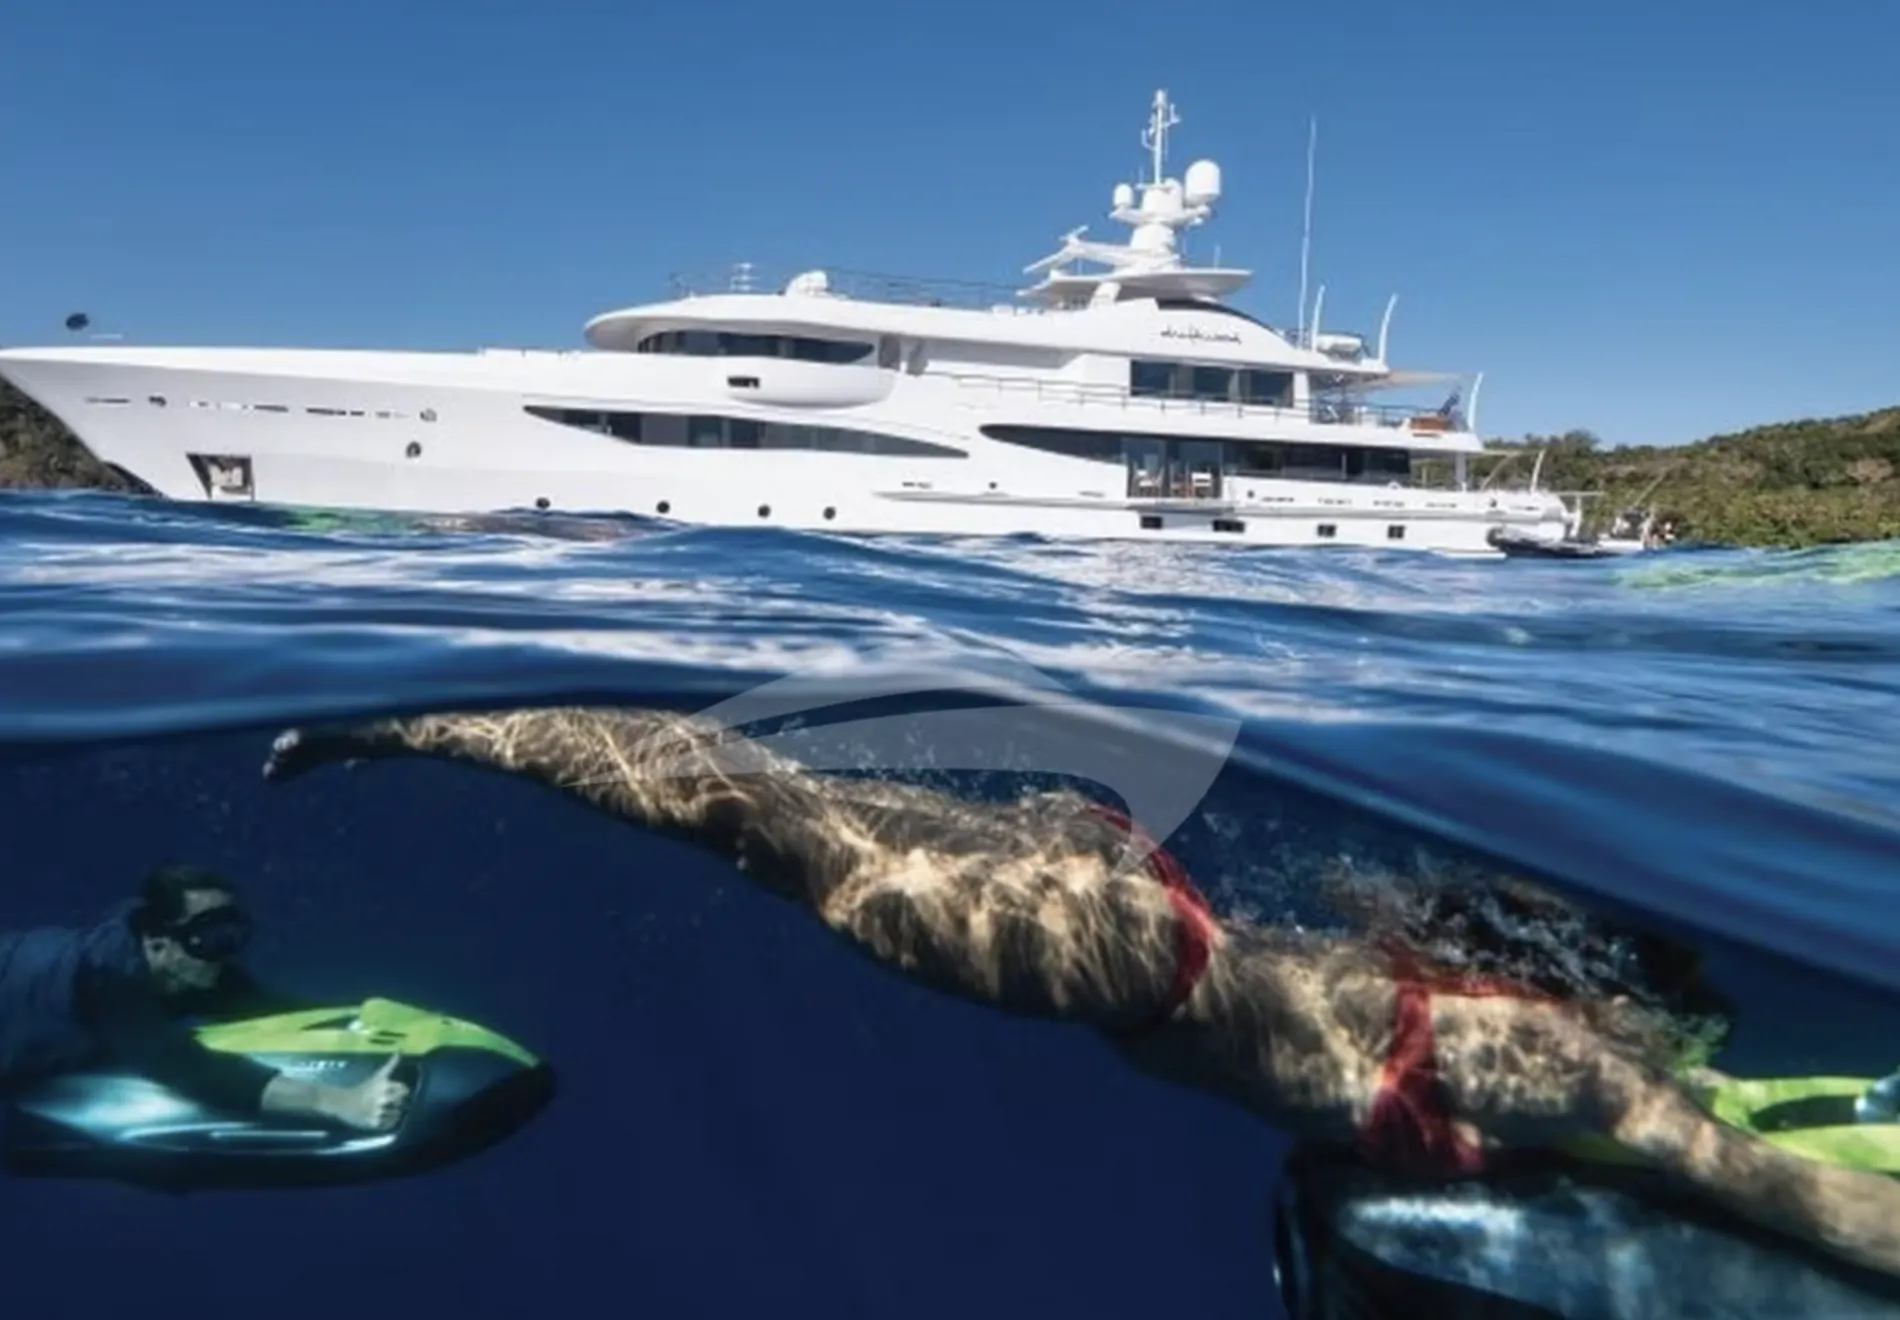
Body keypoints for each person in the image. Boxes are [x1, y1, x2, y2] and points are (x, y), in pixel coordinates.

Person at [259, 704, 1900, 1280]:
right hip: (1117, 962)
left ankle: (432, 727)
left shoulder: (1528, 1041)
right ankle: (420, 726)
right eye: (1689, 1040)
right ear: (1638, 1009)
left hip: (1137, 914)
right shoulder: (1596, 1082)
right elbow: (1789, 1201)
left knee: (755, 807)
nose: (1692, 1068)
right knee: (741, 812)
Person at [0, 863, 410, 1133]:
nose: (223, 953)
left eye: (232, 936)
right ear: (158, 945)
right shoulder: (109, 978)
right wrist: (338, 1101)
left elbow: (272, 1010)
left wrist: (368, 1027)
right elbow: (180, 1065)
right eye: (208, 938)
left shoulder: (191, 965)